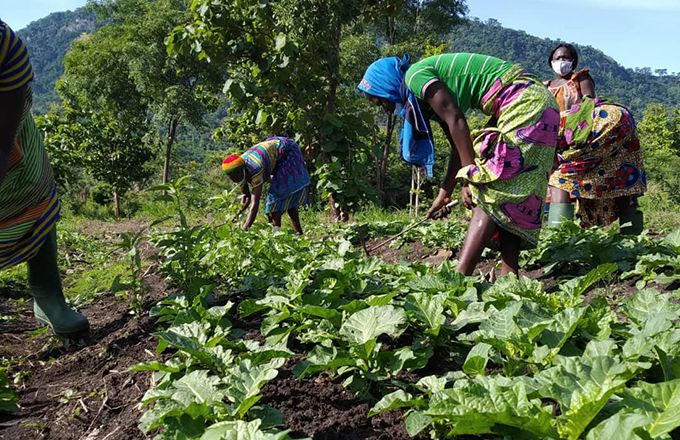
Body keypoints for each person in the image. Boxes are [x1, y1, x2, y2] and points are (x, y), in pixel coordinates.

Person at [358, 53, 559, 276]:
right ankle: (509, 278)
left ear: (387, 84)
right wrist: (444, 193)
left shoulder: (414, 77)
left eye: (380, 100)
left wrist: (469, 178)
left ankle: (458, 279)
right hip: (538, 101)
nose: (386, 108)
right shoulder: (423, 101)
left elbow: (456, 119)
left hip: (522, 100)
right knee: (511, 190)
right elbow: (458, 143)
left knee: (489, 189)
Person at [0, 20, 89, 338]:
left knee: (31, 192)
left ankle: (48, 296)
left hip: (8, 137)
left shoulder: (4, 47)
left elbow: (5, 130)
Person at [544, 44, 646, 233]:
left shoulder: (580, 78)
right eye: (557, 58)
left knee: (620, 179)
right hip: (558, 145)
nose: (561, 62)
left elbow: (588, 103)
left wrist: (568, 122)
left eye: (565, 58)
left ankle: (633, 241)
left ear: (573, 61)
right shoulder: (544, 87)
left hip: (585, 140)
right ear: (551, 61)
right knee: (558, 181)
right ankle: (559, 241)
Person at [222, 136, 310, 234]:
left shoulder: (255, 169)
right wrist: (236, 215)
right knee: (283, 199)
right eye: (231, 178)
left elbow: (254, 203)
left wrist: (245, 229)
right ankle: (298, 234)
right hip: (275, 152)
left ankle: (277, 235)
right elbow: (246, 196)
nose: (235, 180)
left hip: (287, 152)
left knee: (275, 200)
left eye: (235, 178)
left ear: (242, 171)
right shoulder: (237, 169)